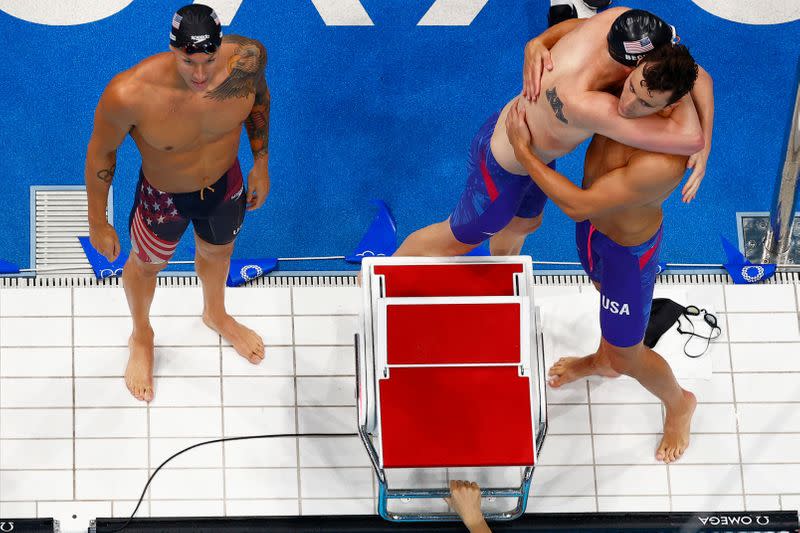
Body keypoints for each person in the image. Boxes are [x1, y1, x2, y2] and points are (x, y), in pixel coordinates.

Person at [505, 42, 702, 463]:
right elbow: (702, 75)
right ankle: (600, 359)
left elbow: (577, 202)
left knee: (628, 357)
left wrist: (523, 151)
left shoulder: (662, 161)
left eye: (645, 103)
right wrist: (535, 45)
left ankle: (680, 402)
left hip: (627, 257)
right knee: (605, 316)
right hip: (593, 231)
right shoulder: (647, 74)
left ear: (671, 107)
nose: (626, 104)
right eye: (630, 87)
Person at [393, 8, 712, 258]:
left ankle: (502, 278)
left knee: (525, 223)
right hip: (505, 160)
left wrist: (538, 43)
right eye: (630, 89)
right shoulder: (586, 102)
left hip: (535, 153)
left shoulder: (617, 22)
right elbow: (691, 137)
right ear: (635, 66)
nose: (628, 104)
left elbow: (575, 27)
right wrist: (702, 143)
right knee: (456, 240)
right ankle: (381, 275)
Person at [84, 4, 271, 402]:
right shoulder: (130, 93)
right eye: (188, 61)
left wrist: (261, 163)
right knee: (146, 266)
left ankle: (215, 313)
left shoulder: (246, 63)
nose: (200, 75)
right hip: (162, 199)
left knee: (219, 254)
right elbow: (101, 154)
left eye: (207, 61)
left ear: (220, 49)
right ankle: (141, 334)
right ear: (173, 50)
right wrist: (98, 222)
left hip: (225, 184)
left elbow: (259, 101)